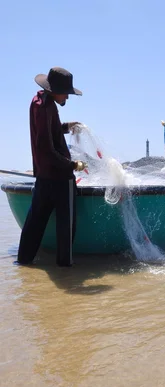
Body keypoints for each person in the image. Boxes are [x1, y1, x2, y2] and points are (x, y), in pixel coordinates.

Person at [17, 67, 87, 267]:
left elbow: (49, 133)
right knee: (66, 228)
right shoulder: (45, 107)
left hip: (44, 177)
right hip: (61, 178)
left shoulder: (40, 102)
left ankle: (23, 264)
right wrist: (73, 164)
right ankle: (65, 270)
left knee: (35, 222)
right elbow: (46, 148)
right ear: (55, 90)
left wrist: (67, 126)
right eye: (66, 93)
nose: (68, 97)